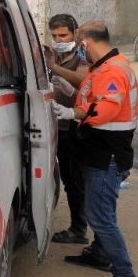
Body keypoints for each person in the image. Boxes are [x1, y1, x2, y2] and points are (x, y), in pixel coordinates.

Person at [54, 21, 138, 277]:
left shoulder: (113, 70)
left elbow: (104, 109)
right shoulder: (104, 66)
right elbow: (87, 94)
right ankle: (100, 255)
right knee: (102, 208)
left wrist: (71, 114)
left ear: (86, 42)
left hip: (108, 154)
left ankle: (126, 276)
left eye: (79, 41)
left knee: (100, 215)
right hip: (99, 150)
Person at [43, 14, 90, 245]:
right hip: (56, 125)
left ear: (75, 32)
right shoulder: (55, 55)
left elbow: (82, 80)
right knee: (65, 177)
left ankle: (79, 228)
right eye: (54, 35)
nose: (59, 39)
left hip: (74, 126)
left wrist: (53, 68)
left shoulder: (82, 54)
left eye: (63, 35)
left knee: (75, 179)